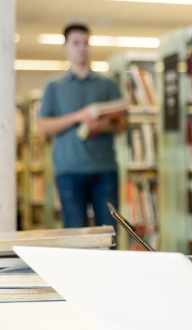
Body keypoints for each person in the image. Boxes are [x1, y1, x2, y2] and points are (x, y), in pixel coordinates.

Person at [37, 23, 128, 228]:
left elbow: (123, 123)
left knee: (109, 233)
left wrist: (101, 126)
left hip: (104, 169)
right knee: (75, 235)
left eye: (86, 43)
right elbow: (43, 127)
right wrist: (78, 116)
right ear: (65, 47)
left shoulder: (107, 85)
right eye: (76, 43)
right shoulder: (54, 87)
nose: (82, 48)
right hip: (69, 170)